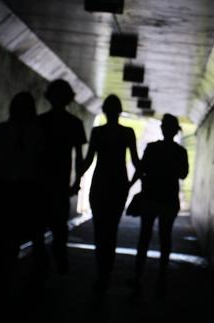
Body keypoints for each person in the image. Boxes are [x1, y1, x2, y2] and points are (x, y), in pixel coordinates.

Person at [0, 91, 45, 298]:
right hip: (25, 189)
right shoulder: (37, 132)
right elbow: (41, 163)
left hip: (4, 186)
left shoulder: (3, 129)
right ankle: (7, 273)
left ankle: (1, 273)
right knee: (15, 233)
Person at [76, 94, 140, 292]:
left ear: (104, 111)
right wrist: (132, 183)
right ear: (120, 111)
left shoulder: (97, 133)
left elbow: (87, 162)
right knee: (111, 229)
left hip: (100, 184)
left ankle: (101, 270)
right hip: (119, 185)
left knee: (99, 229)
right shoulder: (128, 133)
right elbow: (137, 163)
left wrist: (75, 180)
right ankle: (107, 269)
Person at [128, 113, 189, 295]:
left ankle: (138, 276)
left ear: (163, 129)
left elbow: (141, 169)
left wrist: (128, 186)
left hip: (150, 197)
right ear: (175, 131)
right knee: (165, 238)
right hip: (169, 199)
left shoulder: (152, 148)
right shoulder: (180, 152)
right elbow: (183, 174)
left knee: (144, 237)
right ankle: (162, 278)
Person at [36, 79, 87, 276]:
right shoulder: (75, 124)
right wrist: (76, 184)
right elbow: (79, 158)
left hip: (41, 183)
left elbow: (34, 153)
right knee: (59, 228)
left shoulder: (40, 121)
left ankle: (41, 264)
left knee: (38, 227)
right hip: (60, 184)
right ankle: (60, 262)